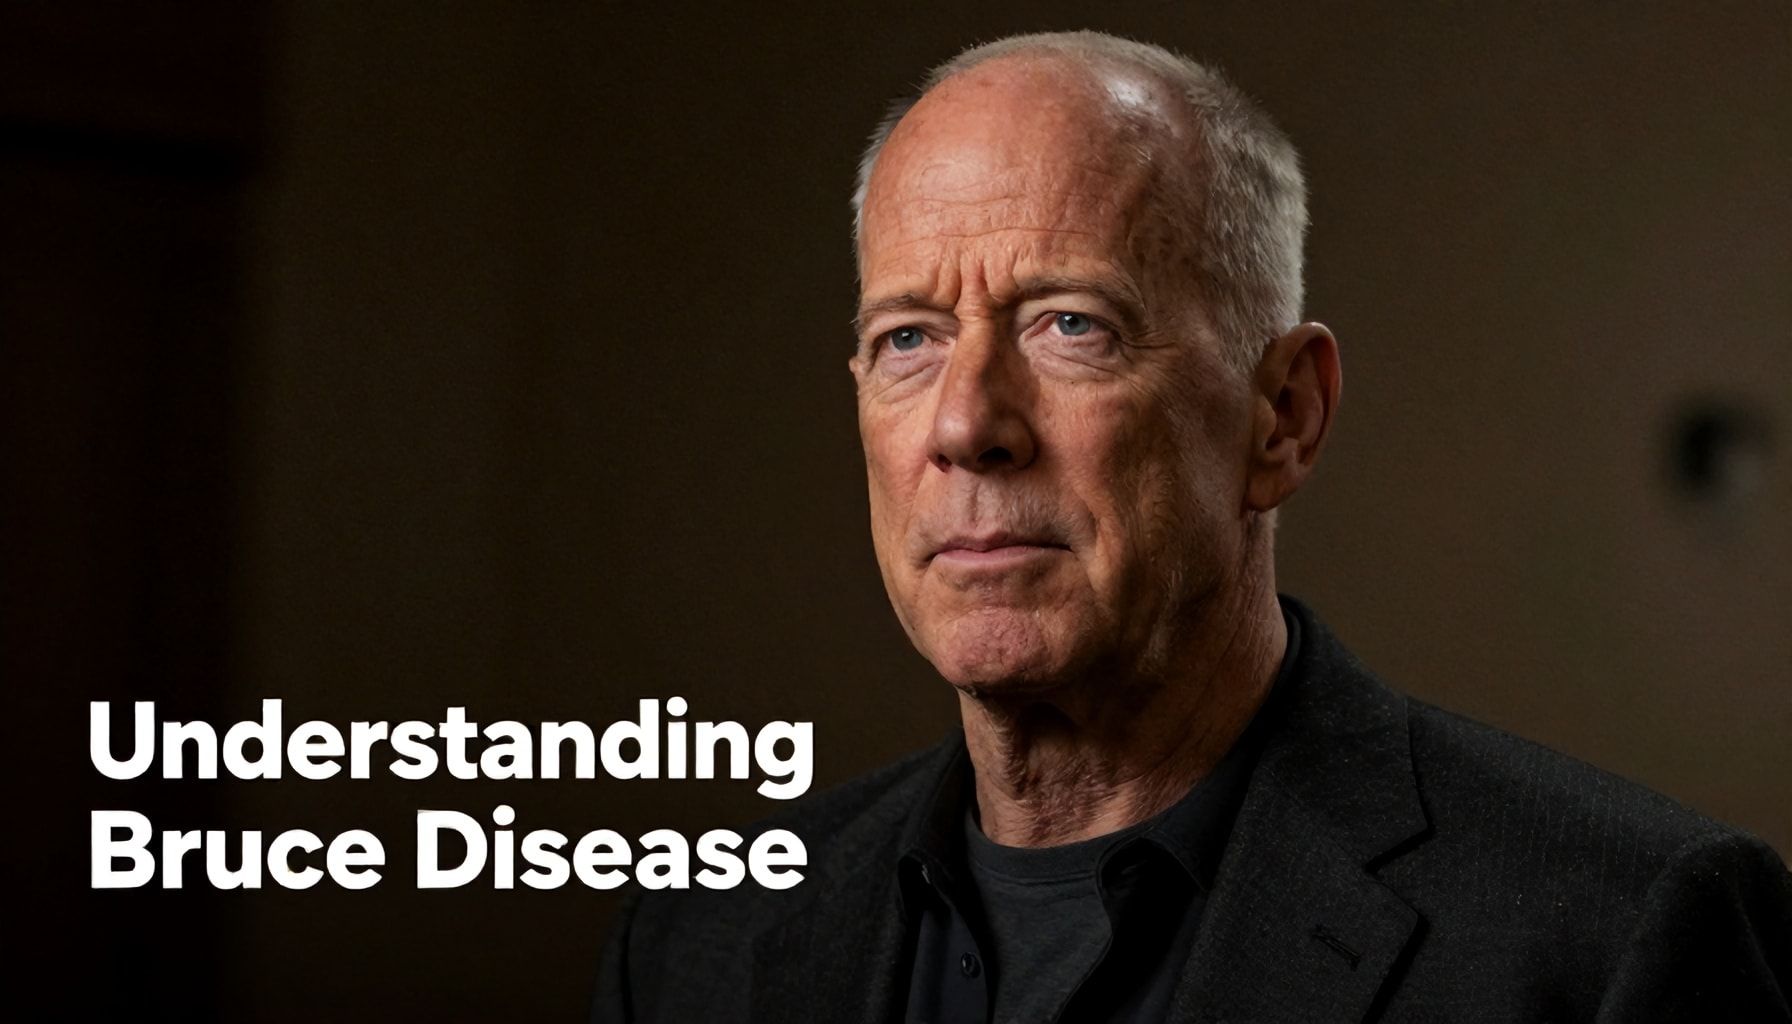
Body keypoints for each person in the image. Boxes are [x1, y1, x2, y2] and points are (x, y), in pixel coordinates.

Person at [594, 31, 1791, 1023]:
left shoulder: (1616, 939)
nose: (965, 424)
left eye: (1071, 324)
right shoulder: (697, 942)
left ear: (1282, 416)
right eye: (907, 338)